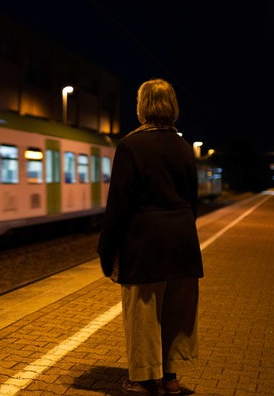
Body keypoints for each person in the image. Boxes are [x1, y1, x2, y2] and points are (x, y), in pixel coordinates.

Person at [97, 78, 203, 396]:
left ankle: (143, 380)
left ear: (142, 107)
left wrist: (107, 249)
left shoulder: (131, 146)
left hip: (145, 246)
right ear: (172, 107)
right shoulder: (185, 149)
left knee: (143, 313)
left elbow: (119, 205)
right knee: (176, 312)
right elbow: (192, 202)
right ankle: (169, 377)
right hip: (183, 244)